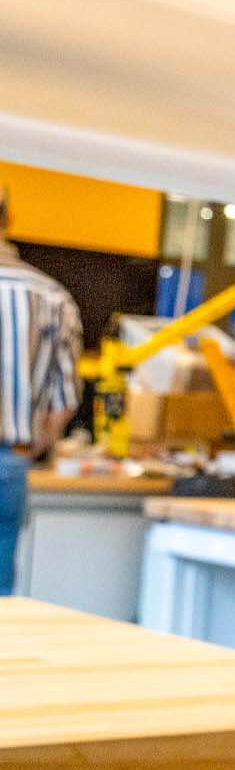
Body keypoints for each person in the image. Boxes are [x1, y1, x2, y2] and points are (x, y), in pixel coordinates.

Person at [0, 186, 84, 596]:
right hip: (8, 463)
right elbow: (64, 400)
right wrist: (32, 447)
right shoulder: (53, 297)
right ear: (9, 219)